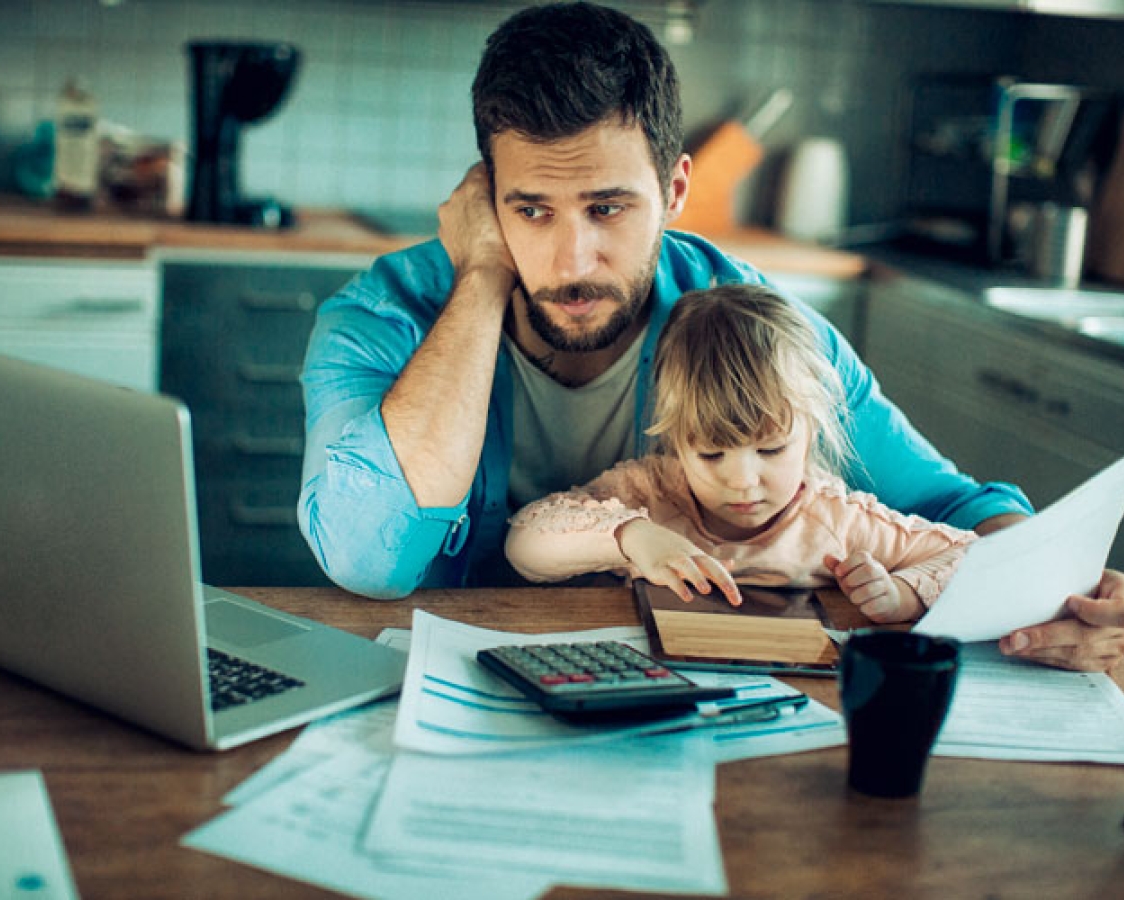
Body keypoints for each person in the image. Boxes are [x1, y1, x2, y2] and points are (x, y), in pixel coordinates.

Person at [297, 1, 1124, 672]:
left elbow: (961, 510)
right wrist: (480, 279)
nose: (571, 259)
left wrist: (1060, 598)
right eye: (531, 209)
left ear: (676, 189)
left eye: (609, 208)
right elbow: (369, 558)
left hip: (691, 695)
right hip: (447, 685)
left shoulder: (753, 327)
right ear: (485, 197)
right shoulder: (384, 315)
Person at [506, 285, 978, 623]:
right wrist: (632, 536)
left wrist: (902, 594)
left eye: (771, 449)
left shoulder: (838, 521)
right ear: (676, 439)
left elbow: (973, 556)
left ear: (811, 432)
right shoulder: (650, 492)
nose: (744, 482)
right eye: (712, 455)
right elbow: (523, 544)